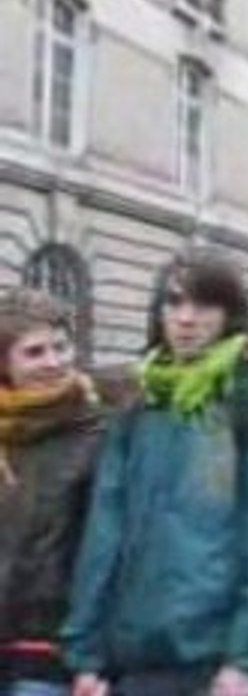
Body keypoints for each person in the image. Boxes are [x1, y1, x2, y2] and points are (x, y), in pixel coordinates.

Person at [63, 248, 248, 696]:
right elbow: (104, 535)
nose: (185, 319)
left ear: (230, 315)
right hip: (133, 662)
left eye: (203, 306)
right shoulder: (136, 410)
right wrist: (86, 654)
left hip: (218, 663)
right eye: (173, 303)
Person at [0, 289, 104, 696]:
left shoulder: (97, 430)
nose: (53, 362)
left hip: (50, 654)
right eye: (35, 352)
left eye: (61, 347)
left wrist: (95, 656)